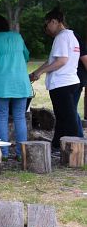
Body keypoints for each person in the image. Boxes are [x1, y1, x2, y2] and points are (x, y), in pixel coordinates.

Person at [30, 8, 81, 150]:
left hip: (62, 83)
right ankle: (57, 145)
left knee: (68, 119)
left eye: (47, 24)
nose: (47, 28)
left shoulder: (61, 37)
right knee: (63, 117)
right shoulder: (71, 36)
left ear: (54, 21)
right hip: (71, 82)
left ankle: (73, 148)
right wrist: (37, 72)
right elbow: (52, 60)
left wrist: (42, 71)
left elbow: (62, 61)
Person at [0, 14, 32, 158]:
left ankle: (3, 154)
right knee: (20, 117)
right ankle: (21, 153)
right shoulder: (17, 36)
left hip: (2, 84)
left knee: (2, 117)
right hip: (21, 83)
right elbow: (27, 56)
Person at [74, 33, 87, 137]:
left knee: (71, 109)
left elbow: (85, 59)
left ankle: (79, 137)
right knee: (72, 108)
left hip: (77, 80)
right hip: (75, 79)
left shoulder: (74, 38)